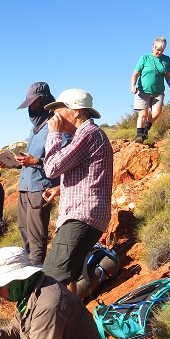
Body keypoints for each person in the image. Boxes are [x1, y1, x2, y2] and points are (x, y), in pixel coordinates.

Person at [41, 89, 113, 297]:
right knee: (69, 277)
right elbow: (89, 175)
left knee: (51, 281)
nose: (55, 116)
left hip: (81, 217)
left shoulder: (88, 134)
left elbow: (52, 168)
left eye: (58, 109)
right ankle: (73, 324)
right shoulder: (85, 136)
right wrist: (60, 189)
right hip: (83, 216)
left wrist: (53, 133)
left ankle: (54, 327)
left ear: (77, 111)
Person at [12, 82, 62, 265]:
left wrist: (36, 161)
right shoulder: (35, 128)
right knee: (24, 230)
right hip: (25, 186)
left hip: (40, 187)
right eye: (29, 104)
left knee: (36, 235)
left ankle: (37, 275)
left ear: (44, 100)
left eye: (34, 103)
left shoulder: (54, 125)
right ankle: (28, 272)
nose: (31, 108)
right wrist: (15, 163)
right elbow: (33, 158)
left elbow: (60, 159)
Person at [131, 37, 170, 143]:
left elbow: (168, 75)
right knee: (143, 114)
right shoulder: (144, 58)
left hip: (158, 92)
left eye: (162, 50)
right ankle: (139, 136)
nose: (159, 52)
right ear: (153, 47)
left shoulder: (166, 59)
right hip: (142, 91)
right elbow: (135, 74)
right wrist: (133, 85)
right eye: (157, 49)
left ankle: (146, 127)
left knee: (157, 113)